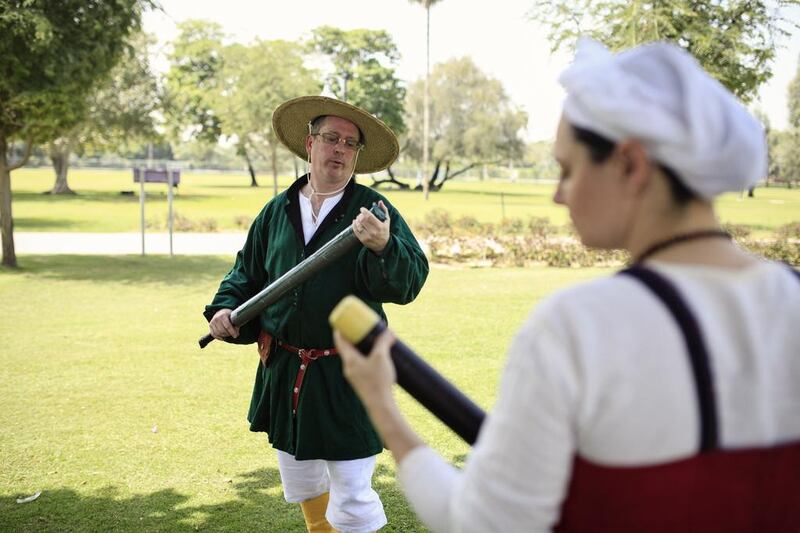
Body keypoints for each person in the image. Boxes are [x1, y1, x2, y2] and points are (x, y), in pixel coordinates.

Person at [334, 39, 800, 532]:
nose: (559, 194)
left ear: (630, 164)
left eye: (568, 169)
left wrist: (382, 404)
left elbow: (480, 523)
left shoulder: (580, 326)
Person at [204, 95, 429, 533]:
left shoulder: (373, 211)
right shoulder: (276, 211)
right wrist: (227, 307)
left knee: (353, 491)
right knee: (303, 482)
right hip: (287, 368)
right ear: (310, 143)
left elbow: (410, 279)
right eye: (331, 138)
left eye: (350, 143)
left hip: (347, 373)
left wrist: (384, 245)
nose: (340, 149)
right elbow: (247, 272)